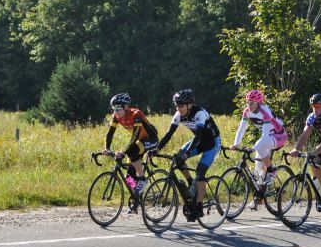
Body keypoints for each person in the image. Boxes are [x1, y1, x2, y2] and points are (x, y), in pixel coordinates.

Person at [156, 89, 222, 221]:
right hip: (199, 142)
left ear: (189, 105)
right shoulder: (179, 114)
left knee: (200, 172)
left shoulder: (199, 113)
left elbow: (198, 136)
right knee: (177, 158)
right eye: (177, 106)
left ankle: (199, 206)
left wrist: (187, 153)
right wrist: (156, 149)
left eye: (181, 106)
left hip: (212, 143)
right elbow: (169, 134)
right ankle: (191, 183)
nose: (178, 109)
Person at [230, 89, 289, 210]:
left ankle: (271, 171)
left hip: (279, 136)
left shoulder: (265, 112)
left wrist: (252, 149)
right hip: (266, 139)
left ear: (259, 103)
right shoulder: (247, 111)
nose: (249, 105)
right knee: (257, 171)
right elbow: (242, 128)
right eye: (247, 102)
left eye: (251, 103)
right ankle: (258, 197)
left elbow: (265, 136)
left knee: (259, 145)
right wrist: (235, 144)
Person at [101, 93, 159, 195]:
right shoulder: (116, 116)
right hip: (139, 141)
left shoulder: (136, 114)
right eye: (114, 109)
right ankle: (136, 197)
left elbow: (135, 136)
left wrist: (123, 152)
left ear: (126, 107)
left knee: (132, 152)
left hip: (151, 139)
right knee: (129, 177)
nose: (116, 112)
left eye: (118, 109)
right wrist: (107, 148)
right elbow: (110, 133)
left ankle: (142, 179)